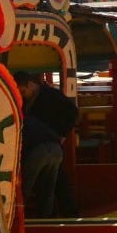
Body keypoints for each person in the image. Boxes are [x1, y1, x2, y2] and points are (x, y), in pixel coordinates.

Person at [14, 71, 80, 217]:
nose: (22, 95)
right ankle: (50, 218)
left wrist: (62, 134)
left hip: (41, 148)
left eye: (23, 91)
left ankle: (18, 217)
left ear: (30, 85)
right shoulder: (33, 99)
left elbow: (73, 112)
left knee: (26, 187)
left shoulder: (50, 95)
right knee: (49, 187)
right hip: (52, 147)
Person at [19, 115, 63, 218]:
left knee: (24, 188)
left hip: (38, 151)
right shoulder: (33, 120)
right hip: (57, 149)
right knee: (48, 189)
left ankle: (17, 216)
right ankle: (45, 219)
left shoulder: (18, 123)